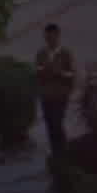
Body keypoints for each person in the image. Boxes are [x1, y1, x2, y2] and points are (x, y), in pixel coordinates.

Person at [30, 23, 77, 156]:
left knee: (57, 122)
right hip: (46, 94)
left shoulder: (65, 53)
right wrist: (43, 72)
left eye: (52, 36)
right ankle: (55, 151)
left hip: (61, 94)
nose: (50, 39)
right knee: (49, 123)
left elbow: (72, 74)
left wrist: (60, 73)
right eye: (47, 37)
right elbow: (37, 70)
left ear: (57, 36)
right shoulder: (41, 53)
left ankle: (62, 149)